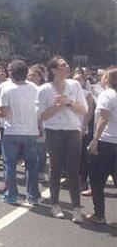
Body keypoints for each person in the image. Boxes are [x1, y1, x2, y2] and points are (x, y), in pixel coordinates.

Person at [37, 56, 88, 222]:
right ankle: (55, 204)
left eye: (67, 64)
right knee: (56, 168)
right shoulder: (44, 89)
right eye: (62, 65)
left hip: (73, 131)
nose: (67, 67)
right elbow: (41, 116)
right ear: (53, 70)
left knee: (73, 170)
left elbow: (84, 110)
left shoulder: (74, 85)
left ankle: (76, 208)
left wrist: (69, 103)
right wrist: (57, 106)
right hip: (54, 131)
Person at [0, 59, 40, 205]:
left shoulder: (7, 89)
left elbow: (4, 112)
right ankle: (33, 196)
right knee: (32, 166)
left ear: (12, 73)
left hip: (12, 131)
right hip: (31, 131)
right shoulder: (34, 88)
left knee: (10, 165)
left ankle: (11, 195)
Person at [85, 68, 117, 225]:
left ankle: (99, 214)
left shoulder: (107, 94)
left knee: (96, 180)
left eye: (103, 75)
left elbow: (104, 118)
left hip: (106, 142)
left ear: (108, 79)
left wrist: (95, 140)